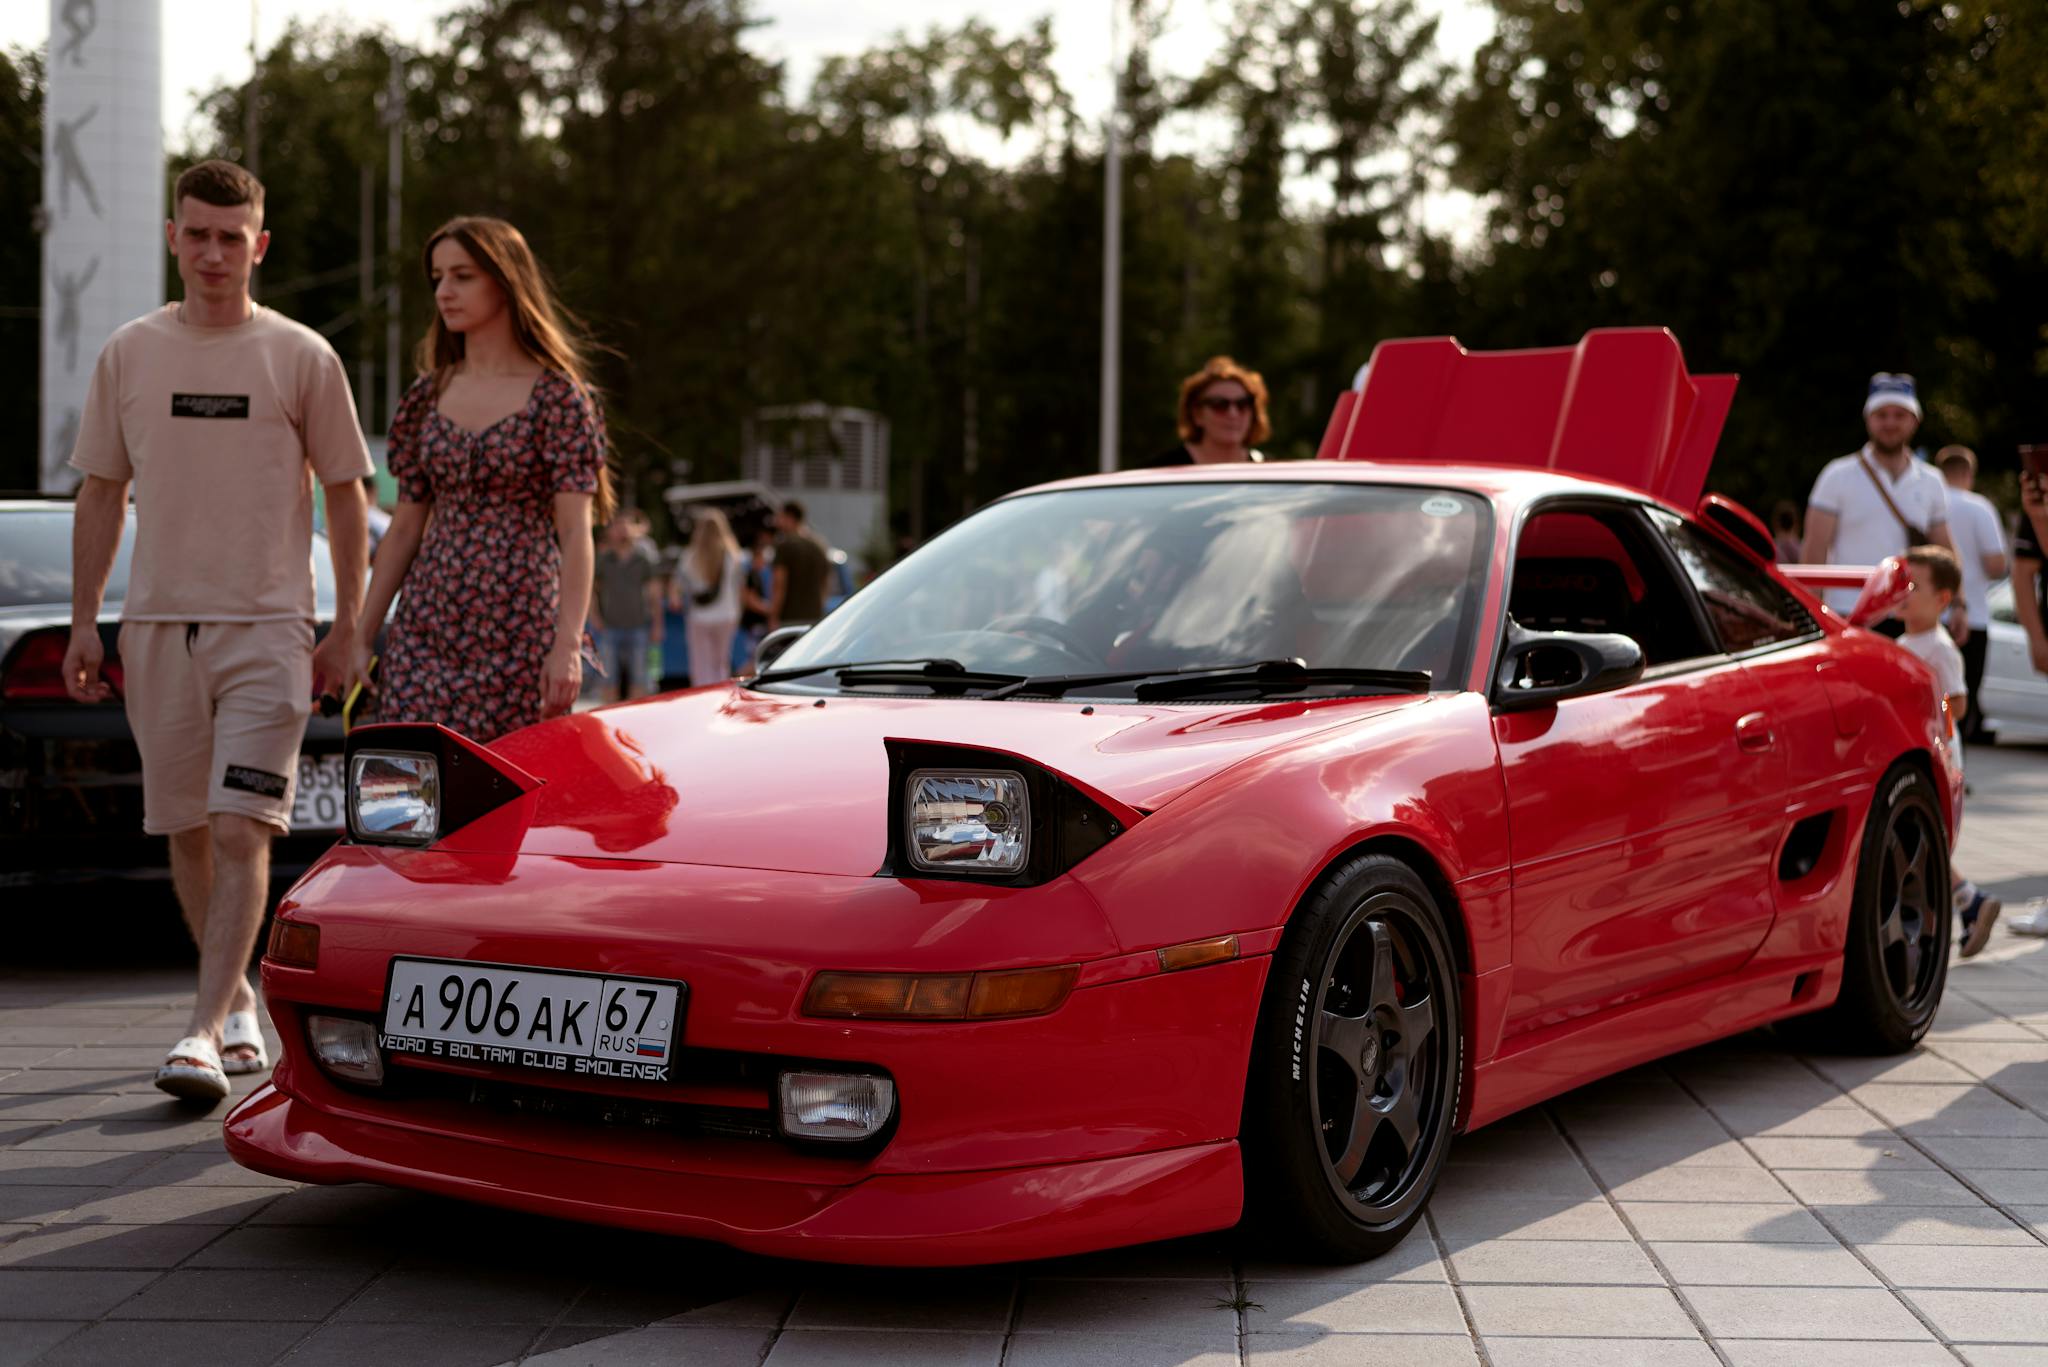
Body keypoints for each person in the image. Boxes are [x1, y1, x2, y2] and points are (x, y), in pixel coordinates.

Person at [63, 160, 371, 1104]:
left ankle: (197, 1031)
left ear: (259, 245)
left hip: (270, 630)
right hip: (158, 627)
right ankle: (233, 997)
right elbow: (101, 492)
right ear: (172, 237)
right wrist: (85, 624)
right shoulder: (129, 352)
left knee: (242, 824)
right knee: (188, 827)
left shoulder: (302, 355)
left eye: (230, 237)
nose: (212, 252)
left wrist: (348, 627)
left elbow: (348, 494)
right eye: (196, 234)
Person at [350, 215, 610, 740]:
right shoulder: (427, 396)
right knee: (415, 777)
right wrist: (362, 636)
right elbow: (403, 529)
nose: (444, 292)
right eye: (438, 278)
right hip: (426, 626)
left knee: (512, 780)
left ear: (506, 281)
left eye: (462, 276)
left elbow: (575, 532)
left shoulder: (558, 398)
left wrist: (567, 645)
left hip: (522, 628)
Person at [1894, 546, 2000, 956]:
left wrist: (1924, 706)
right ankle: (1969, 903)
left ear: (1942, 599)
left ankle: (1954, 912)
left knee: (1927, 838)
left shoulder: (1940, 648)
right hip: (1914, 754)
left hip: (1937, 757)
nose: (1903, 592)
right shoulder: (1903, 642)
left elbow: (1959, 702)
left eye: (1914, 586)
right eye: (1901, 583)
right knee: (1924, 837)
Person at [1802, 373, 1955, 631]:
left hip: (1913, 615)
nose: (1890, 423)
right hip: (1849, 613)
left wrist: (1958, 604)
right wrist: (1809, 613)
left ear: (1915, 421)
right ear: (1868, 419)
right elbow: (1814, 549)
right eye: (1882, 415)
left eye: (1899, 415)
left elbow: (1945, 552)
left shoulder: (1932, 480)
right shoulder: (1837, 474)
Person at [1933, 446, 2009, 741]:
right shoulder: (1979, 507)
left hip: (1929, 615)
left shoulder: (1930, 502)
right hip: (1972, 615)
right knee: (1962, 704)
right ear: (1968, 473)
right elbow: (1996, 564)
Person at [590, 509, 665, 701]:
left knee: (639, 679)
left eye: (626, 524)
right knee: (608, 679)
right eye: (618, 525)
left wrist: (658, 624)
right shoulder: (604, 560)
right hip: (610, 627)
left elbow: (654, 593)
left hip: (638, 626)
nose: (622, 529)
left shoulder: (644, 559)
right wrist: (594, 616)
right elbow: (592, 590)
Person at [1152, 356, 1270, 466]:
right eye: (1220, 405)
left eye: (1242, 404)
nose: (1233, 413)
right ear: (1197, 414)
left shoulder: (1267, 469)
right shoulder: (1161, 471)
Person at [681, 506, 746, 686]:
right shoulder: (734, 555)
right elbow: (740, 587)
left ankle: (703, 692)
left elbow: (683, 586)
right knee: (721, 661)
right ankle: (720, 693)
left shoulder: (690, 556)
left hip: (699, 616)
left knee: (701, 662)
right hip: (727, 614)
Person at [768, 499, 832, 631]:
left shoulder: (785, 546)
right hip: (814, 617)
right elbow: (826, 583)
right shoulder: (819, 546)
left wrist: (773, 616)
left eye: (780, 517)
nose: (777, 522)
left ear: (790, 518)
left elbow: (779, 584)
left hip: (790, 619)